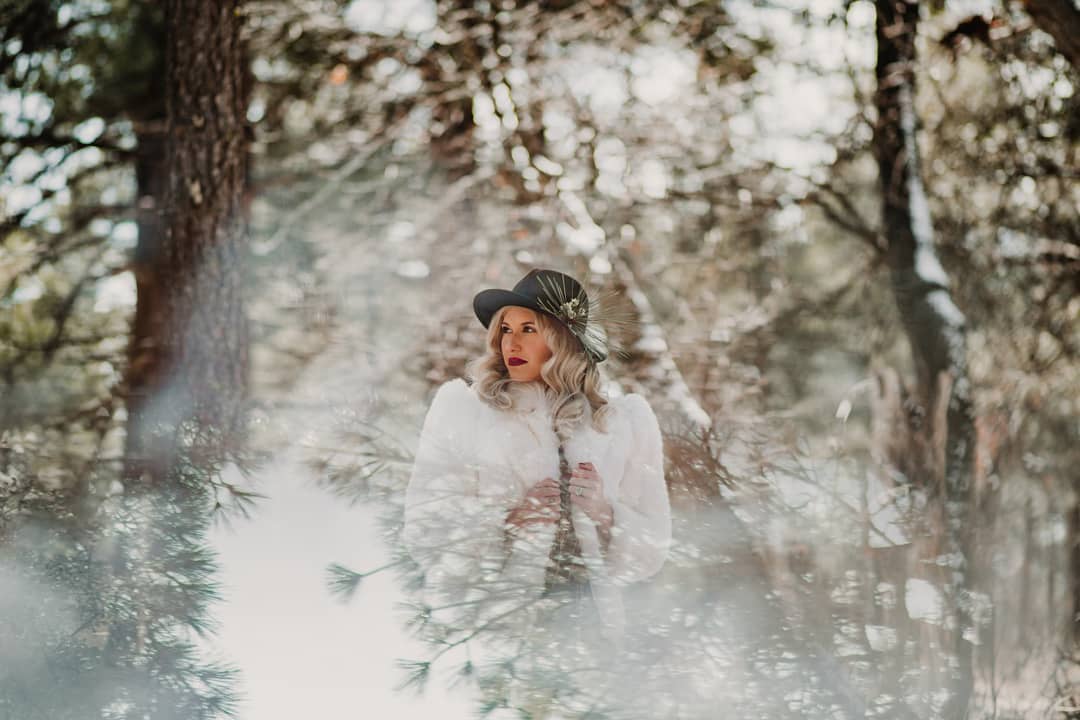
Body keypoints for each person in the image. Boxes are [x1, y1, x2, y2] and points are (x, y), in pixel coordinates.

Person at [402, 268, 671, 651]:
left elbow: (652, 549)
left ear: (562, 339)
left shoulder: (621, 423)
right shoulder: (462, 411)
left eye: (528, 329)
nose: (511, 342)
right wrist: (506, 522)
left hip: (594, 636)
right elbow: (425, 530)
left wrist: (603, 513)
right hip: (497, 634)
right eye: (505, 329)